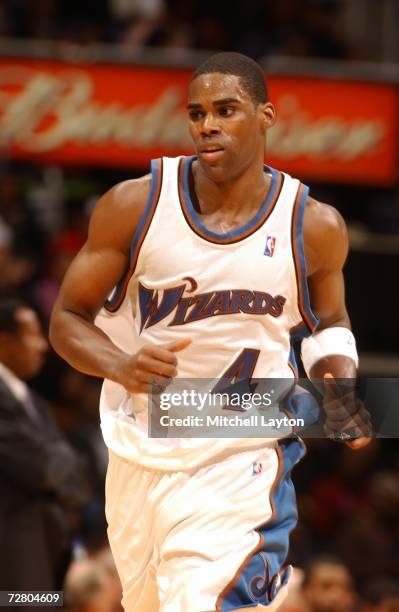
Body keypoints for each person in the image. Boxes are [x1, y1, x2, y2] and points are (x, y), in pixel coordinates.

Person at [50, 52, 370, 611]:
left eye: (227, 110)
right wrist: (120, 365)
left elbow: (330, 321)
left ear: (266, 116)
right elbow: (66, 320)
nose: (208, 125)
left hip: (241, 454)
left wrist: (337, 380)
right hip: (141, 451)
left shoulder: (313, 225)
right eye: (197, 113)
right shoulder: (135, 205)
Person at [0, 298, 89, 592]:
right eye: (32, 335)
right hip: (11, 554)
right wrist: (63, 465)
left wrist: (63, 468)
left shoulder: (34, 400)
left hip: (45, 547)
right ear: (4, 342)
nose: (42, 346)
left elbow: (76, 478)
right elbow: (40, 469)